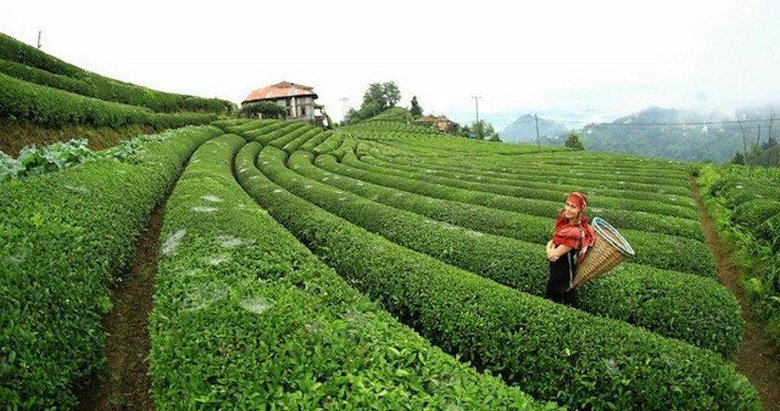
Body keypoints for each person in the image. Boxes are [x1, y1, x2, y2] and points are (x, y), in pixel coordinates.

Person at [545, 192, 595, 306]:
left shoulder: (575, 233)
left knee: (559, 301)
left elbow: (554, 255)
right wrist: (549, 249)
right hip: (556, 272)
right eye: (567, 204)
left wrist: (549, 250)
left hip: (563, 275)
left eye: (573, 207)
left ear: (580, 210)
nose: (568, 209)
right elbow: (553, 241)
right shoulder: (566, 224)